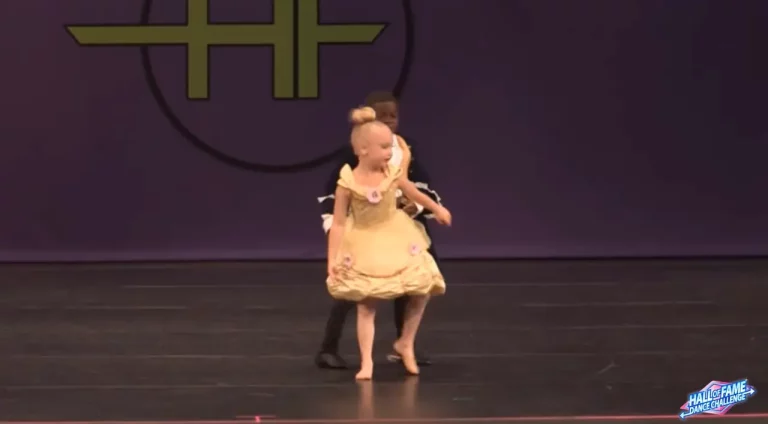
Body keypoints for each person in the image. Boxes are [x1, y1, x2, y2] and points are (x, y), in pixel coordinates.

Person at [315, 92, 443, 369]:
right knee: (355, 289)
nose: (389, 121)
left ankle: (404, 342)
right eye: (382, 115)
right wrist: (335, 236)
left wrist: (422, 208)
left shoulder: (405, 150)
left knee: (411, 280)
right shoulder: (353, 155)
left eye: (393, 116)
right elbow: (337, 198)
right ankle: (329, 346)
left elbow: (415, 186)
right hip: (361, 229)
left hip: (397, 227)